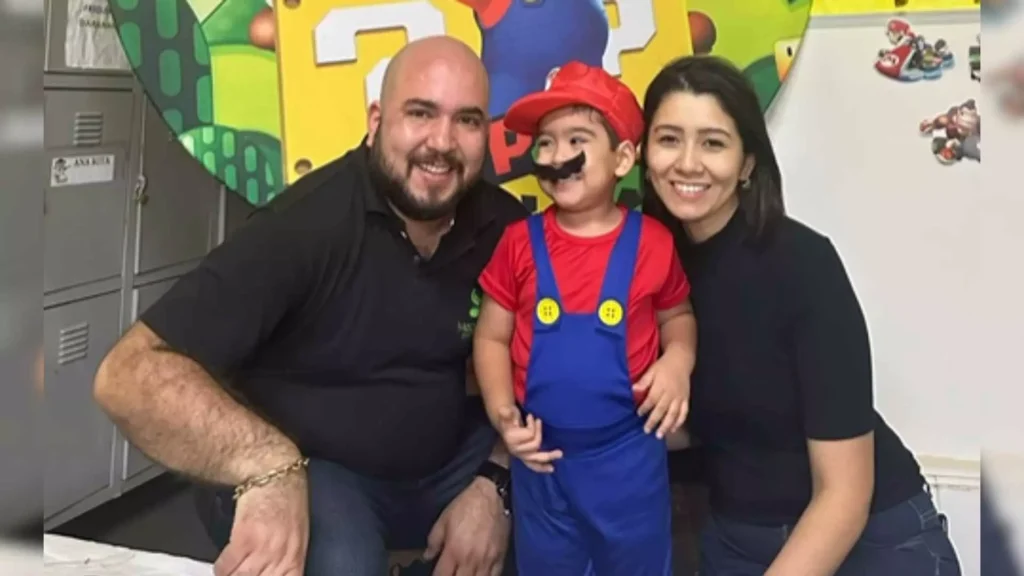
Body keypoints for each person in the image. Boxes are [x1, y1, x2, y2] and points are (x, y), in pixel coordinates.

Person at [93, 36, 530, 576]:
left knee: (562, 496)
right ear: (376, 121)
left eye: (467, 120)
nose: (441, 142)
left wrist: (496, 484)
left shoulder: (507, 227)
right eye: (420, 113)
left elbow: (557, 373)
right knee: (344, 563)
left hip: (446, 462)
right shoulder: (306, 224)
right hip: (312, 465)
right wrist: (268, 465)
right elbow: (128, 373)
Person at [640, 55, 963, 575]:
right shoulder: (643, 266)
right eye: (669, 139)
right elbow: (678, 420)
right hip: (736, 537)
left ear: (747, 163)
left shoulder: (801, 263)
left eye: (713, 143)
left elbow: (844, 495)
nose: (688, 163)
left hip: (865, 536)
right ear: (643, 152)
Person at [473, 61, 697, 575]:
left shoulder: (654, 243)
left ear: (623, 158)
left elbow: (677, 315)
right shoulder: (518, 243)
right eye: (545, 143)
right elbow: (490, 338)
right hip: (542, 462)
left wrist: (678, 360)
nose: (557, 156)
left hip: (629, 460)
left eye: (576, 139)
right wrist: (503, 415)